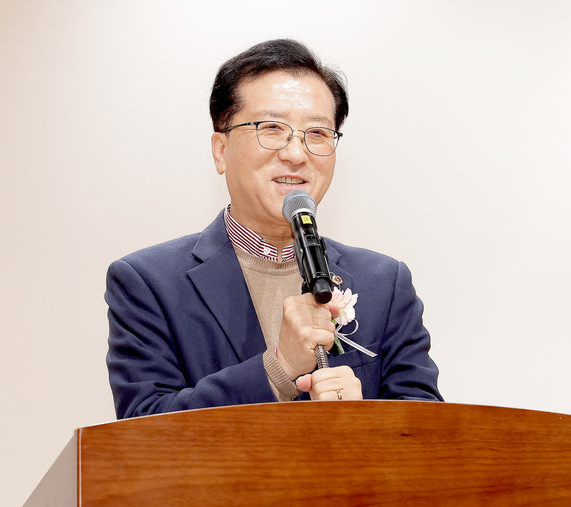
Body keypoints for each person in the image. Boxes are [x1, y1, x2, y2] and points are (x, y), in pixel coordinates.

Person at [106, 39, 442, 419]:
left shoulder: (385, 283)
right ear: (220, 150)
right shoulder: (148, 283)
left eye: (318, 133)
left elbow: (429, 432)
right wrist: (278, 369)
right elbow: (144, 431)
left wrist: (365, 422)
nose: (296, 154)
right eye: (271, 128)